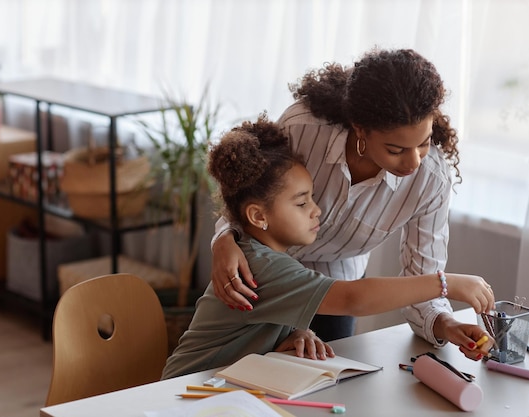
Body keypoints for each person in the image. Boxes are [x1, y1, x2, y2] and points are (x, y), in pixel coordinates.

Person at [161, 116, 494, 379]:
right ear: (258, 216)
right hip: (182, 393)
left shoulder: (268, 256)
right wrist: (447, 282)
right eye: (302, 202)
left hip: (220, 387)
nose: (317, 210)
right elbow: (354, 297)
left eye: (314, 198)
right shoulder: (265, 266)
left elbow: (252, 329)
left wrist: (287, 335)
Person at [210, 48, 491, 357]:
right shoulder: (302, 131)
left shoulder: (431, 179)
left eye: (423, 143)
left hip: (334, 287)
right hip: (260, 282)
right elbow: (249, 194)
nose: (413, 162)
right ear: (360, 129)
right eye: (396, 149)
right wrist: (225, 238)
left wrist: (447, 324)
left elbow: (418, 282)